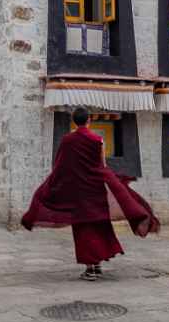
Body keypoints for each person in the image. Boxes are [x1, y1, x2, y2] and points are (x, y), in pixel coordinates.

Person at [21, 107, 160, 280]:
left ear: (74, 121)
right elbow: (102, 165)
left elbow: (61, 166)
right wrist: (112, 183)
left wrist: (53, 185)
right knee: (98, 225)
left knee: (84, 230)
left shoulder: (67, 140)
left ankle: (90, 269)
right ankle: (96, 265)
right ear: (89, 121)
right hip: (96, 190)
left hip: (79, 192)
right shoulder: (98, 140)